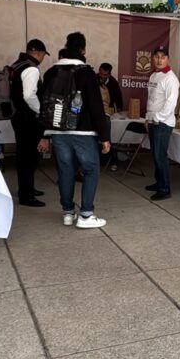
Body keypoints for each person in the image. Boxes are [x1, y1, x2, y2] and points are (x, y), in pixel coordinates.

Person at [37, 33, 111, 228]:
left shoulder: (51, 72)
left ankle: (68, 213)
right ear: (83, 50)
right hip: (83, 132)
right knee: (91, 170)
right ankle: (86, 215)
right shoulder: (86, 73)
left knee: (65, 171)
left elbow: (43, 105)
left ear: (66, 46)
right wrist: (104, 136)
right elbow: (96, 106)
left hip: (57, 132)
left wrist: (44, 134)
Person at [8, 39, 48, 207]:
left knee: (24, 156)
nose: (43, 58)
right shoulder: (31, 69)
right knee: (28, 157)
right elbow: (29, 95)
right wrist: (40, 110)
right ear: (38, 52)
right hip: (28, 119)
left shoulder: (17, 65)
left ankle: (27, 188)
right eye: (43, 55)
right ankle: (26, 195)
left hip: (18, 117)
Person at [144, 47, 179, 201]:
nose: (159, 60)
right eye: (156, 56)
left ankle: (164, 189)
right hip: (153, 120)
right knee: (155, 155)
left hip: (163, 123)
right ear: (153, 58)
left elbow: (171, 103)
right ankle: (159, 182)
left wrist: (157, 118)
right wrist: (148, 118)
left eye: (163, 57)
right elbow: (151, 99)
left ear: (167, 59)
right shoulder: (153, 76)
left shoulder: (170, 79)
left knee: (160, 156)